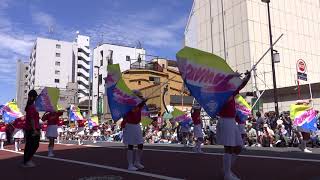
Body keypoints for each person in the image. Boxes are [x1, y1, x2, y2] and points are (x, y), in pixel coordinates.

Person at [216, 71, 251, 180]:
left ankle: (227, 170)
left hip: (232, 122)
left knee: (238, 148)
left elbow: (241, 85)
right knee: (229, 148)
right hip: (225, 121)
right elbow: (221, 82)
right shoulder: (221, 92)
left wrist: (247, 77)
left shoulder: (231, 92)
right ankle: (227, 174)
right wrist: (232, 76)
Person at [121, 90, 147, 171]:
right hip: (130, 125)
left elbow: (140, 105)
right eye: (139, 96)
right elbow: (134, 109)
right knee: (130, 145)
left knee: (140, 145)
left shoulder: (139, 104)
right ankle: (130, 165)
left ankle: (137, 162)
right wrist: (142, 102)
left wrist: (144, 101)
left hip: (137, 125)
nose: (140, 97)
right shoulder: (129, 104)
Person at [22, 90, 40, 168]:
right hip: (32, 129)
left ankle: (26, 160)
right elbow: (32, 119)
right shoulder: (32, 106)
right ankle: (27, 160)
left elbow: (33, 118)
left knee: (29, 145)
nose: (36, 98)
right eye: (36, 96)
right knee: (34, 145)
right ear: (33, 97)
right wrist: (34, 130)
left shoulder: (30, 106)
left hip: (30, 128)